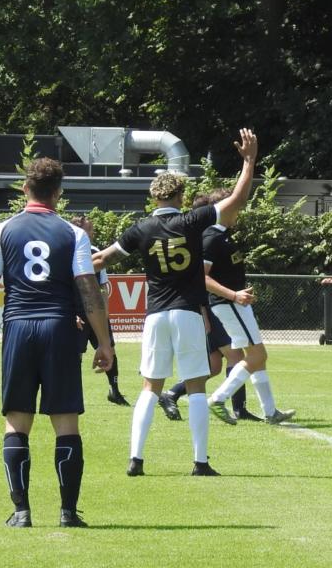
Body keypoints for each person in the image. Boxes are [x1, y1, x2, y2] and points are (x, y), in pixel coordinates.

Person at [92, 128, 258, 476]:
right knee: (196, 385)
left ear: (153, 198)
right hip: (187, 313)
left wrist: (70, 269)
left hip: (154, 316)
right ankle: (200, 462)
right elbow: (237, 200)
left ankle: (135, 460)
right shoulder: (193, 220)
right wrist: (248, 161)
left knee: (150, 387)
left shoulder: (138, 230)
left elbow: (101, 260)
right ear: (181, 196)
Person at [0, 158, 114, 528]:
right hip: (60, 329)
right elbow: (87, 288)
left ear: (25, 189)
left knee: (17, 421)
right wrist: (104, 343)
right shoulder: (74, 234)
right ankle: (67, 513)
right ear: (58, 194)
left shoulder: (1, 230)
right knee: (66, 422)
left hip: (18, 327)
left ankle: (22, 511)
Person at [158, 191, 259, 422]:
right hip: (211, 308)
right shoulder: (207, 237)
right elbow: (201, 278)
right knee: (236, 355)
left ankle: (171, 393)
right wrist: (229, 297)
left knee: (213, 366)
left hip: (208, 308)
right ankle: (239, 409)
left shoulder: (213, 235)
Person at [201, 188, 296, 426]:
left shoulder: (223, 235)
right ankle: (218, 398)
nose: (239, 211)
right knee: (258, 354)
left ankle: (270, 411)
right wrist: (234, 295)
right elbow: (201, 277)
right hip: (228, 304)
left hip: (234, 303)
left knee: (257, 359)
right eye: (235, 206)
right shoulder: (211, 237)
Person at [71, 216, 129, 406]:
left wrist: (105, 312)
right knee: (74, 354)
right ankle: (73, 394)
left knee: (109, 349)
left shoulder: (95, 252)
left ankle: (115, 391)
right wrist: (71, 313)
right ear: (78, 231)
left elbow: (103, 285)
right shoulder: (66, 252)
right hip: (77, 312)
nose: (92, 233)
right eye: (90, 230)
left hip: (96, 312)